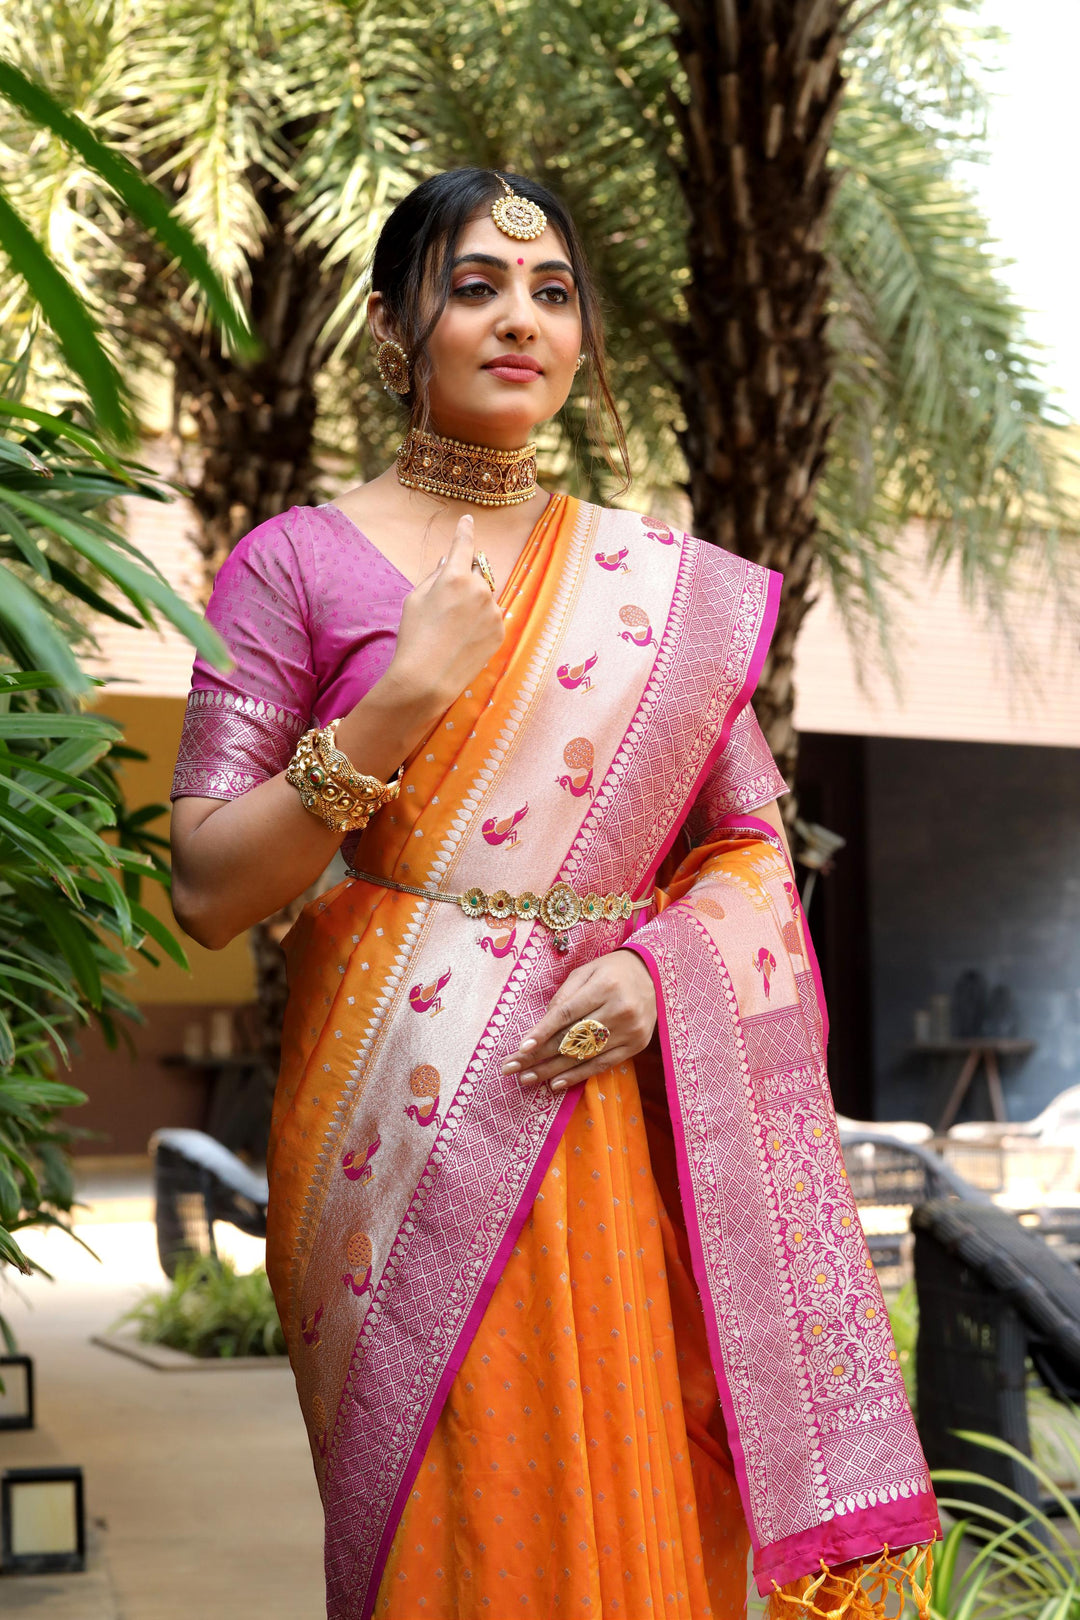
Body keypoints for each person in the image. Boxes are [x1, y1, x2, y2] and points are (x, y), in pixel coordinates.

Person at [169, 168, 938, 1620]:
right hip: (391, 1120)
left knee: (644, 1490)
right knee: (457, 1519)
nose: (520, 316)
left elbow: (748, 854)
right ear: (397, 338)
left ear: (581, 340)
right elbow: (209, 888)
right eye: (475, 286)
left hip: (615, 1123)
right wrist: (399, 705)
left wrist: (660, 977)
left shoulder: (660, 587)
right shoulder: (293, 567)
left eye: (553, 291)